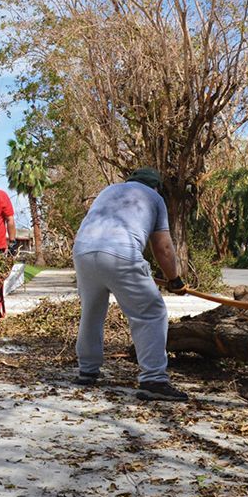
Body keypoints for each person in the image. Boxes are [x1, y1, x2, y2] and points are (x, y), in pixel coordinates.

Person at [71, 167, 189, 401]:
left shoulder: (108, 191)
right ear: (156, 186)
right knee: (151, 312)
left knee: (91, 312)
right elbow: (163, 247)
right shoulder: (155, 197)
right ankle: (154, 380)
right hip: (120, 252)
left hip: (83, 251)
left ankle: (87, 370)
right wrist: (174, 279)